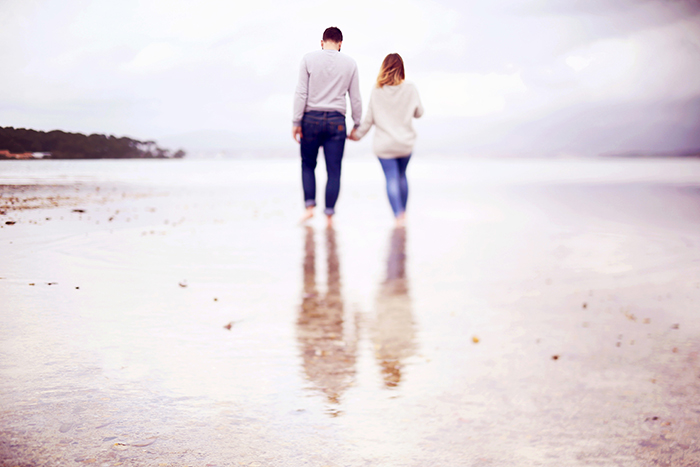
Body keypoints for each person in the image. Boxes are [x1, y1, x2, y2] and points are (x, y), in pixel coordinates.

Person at [293, 26, 362, 228]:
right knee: (334, 170)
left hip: (310, 119)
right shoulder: (350, 63)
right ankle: (329, 216)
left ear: (322, 43)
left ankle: (309, 208)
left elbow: (301, 93)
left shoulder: (308, 59)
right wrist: (357, 124)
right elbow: (355, 97)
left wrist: (296, 121)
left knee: (308, 164)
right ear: (340, 44)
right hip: (336, 121)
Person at [349, 53, 423, 227]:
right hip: (405, 144)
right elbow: (419, 113)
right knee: (402, 176)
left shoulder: (377, 90)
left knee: (391, 178)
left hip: (384, 145)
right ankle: (404, 214)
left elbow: (368, 119)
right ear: (401, 69)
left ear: (384, 69)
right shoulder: (410, 88)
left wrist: (356, 135)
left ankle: (398, 217)